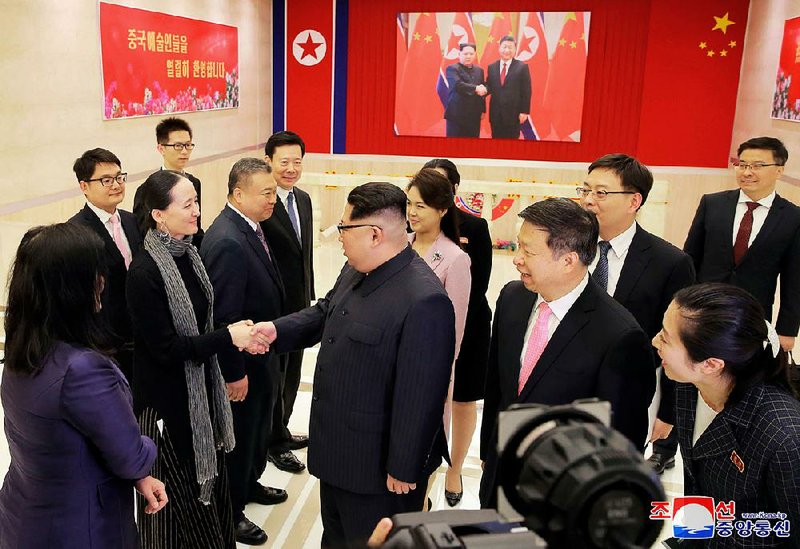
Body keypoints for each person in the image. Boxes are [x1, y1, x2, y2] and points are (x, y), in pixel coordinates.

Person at [254, 182, 455, 547]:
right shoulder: (356, 269)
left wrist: (404, 466)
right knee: (336, 538)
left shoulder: (424, 300)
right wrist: (273, 331)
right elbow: (324, 312)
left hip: (379, 473)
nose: (339, 236)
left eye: (345, 227)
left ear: (375, 234)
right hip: (338, 454)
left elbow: (422, 393)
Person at [479, 198, 655, 508]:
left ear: (568, 260)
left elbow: (623, 439)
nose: (517, 259)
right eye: (518, 247)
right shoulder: (512, 299)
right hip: (500, 477)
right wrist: (487, 455)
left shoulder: (618, 335)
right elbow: (496, 387)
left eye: (528, 252)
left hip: (563, 497)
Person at [0, 223, 166, 549]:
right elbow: (131, 456)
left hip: (25, 511)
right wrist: (148, 442)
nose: (102, 283)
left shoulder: (22, 349)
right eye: (94, 274)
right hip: (83, 526)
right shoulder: (84, 370)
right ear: (71, 288)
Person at [128, 170, 267, 548]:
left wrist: (237, 338)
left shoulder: (188, 253)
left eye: (196, 201)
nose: (196, 211)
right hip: (167, 408)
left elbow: (204, 325)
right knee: (177, 514)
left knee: (209, 501)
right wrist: (226, 337)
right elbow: (167, 350)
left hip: (199, 399)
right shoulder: (145, 270)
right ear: (158, 214)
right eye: (187, 204)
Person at [653, 283, 800, 548]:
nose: (654, 341)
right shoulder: (689, 385)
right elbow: (696, 480)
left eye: (665, 337)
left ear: (711, 364)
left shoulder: (782, 435)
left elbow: (790, 533)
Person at [578, 154, 696, 475]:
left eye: (600, 193)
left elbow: (680, 341)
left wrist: (669, 411)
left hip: (628, 394)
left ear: (634, 200)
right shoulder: (565, 247)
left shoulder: (669, 263)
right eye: (584, 190)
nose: (588, 200)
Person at [200, 158, 288, 546]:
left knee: (255, 431)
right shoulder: (228, 241)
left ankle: (249, 485)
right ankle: (231, 512)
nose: (273, 199)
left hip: (260, 354)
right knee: (238, 438)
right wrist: (234, 373)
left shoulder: (249, 227)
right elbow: (225, 317)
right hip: (242, 365)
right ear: (238, 193)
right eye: (266, 193)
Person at [684, 136, 800, 354]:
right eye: (742, 164)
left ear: (779, 170)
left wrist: (787, 330)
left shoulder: (793, 218)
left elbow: (794, 280)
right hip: (703, 307)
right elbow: (690, 257)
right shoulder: (712, 203)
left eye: (758, 166)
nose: (747, 172)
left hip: (752, 314)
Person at [408, 166, 475, 508]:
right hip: (392, 363)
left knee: (424, 444)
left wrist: (436, 374)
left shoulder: (455, 259)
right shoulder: (399, 246)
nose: (412, 212)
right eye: (409, 204)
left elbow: (455, 331)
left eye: (420, 206)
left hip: (430, 370)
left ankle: (418, 506)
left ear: (442, 210)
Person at [261, 130, 315, 473]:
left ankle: (282, 428)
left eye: (297, 161)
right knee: (273, 377)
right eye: (284, 162)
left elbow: (303, 256)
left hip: (300, 305)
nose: (291, 168)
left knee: (293, 374)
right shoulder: (263, 204)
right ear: (269, 162)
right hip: (272, 310)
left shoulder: (304, 199)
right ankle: (272, 442)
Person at [68, 148, 141, 382]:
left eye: (119, 177)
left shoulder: (132, 221)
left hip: (139, 333)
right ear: (84, 186)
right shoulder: (76, 231)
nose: (116, 185)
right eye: (106, 180)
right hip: (105, 341)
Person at [156, 116, 205, 248]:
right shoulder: (149, 188)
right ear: (161, 149)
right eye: (178, 146)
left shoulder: (194, 182)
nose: (184, 151)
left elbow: (196, 225)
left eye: (188, 145)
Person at [485, 36, 531, 139]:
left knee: (511, 145)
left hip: (513, 114)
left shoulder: (522, 67)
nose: (507, 50)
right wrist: (483, 89)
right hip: (495, 114)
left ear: (515, 50)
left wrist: (524, 111)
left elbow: (526, 91)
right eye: (504, 47)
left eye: (510, 47)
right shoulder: (492, 67)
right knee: (496, 143)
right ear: (499, 48)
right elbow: (489, 85)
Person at [444, 43, 486, 137]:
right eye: (465, 54)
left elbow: (481, 92)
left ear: (475, 55)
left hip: (474, 115)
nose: (468, 56)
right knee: (454, 146)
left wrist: (483, 110)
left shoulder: (479, 70)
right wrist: (476, 88)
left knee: (472, 145)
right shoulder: (452, 69)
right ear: (459, 54)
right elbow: (457, 85)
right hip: (456, 114)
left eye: (471, 54)